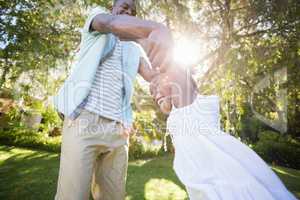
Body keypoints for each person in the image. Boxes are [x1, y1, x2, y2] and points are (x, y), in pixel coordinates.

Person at [53, 0, 172, 199]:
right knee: (72, 195)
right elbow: (111, 24)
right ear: (113, 8)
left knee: (113, 196)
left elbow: (151, 74)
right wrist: (157, 29)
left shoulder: (134, 49)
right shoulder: (97, 22)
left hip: (118, 128)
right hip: (84, 120)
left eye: (133, 11)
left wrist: (170, 73)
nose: (128, 11)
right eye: (124, 6)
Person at [150, 66, 297, 200]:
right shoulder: (175, 113)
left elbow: (175, 69)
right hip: (198, 179)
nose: (155, 95)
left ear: (170, 81)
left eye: (157, 88)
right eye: (152, 93)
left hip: (220, 175)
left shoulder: (189, 102)